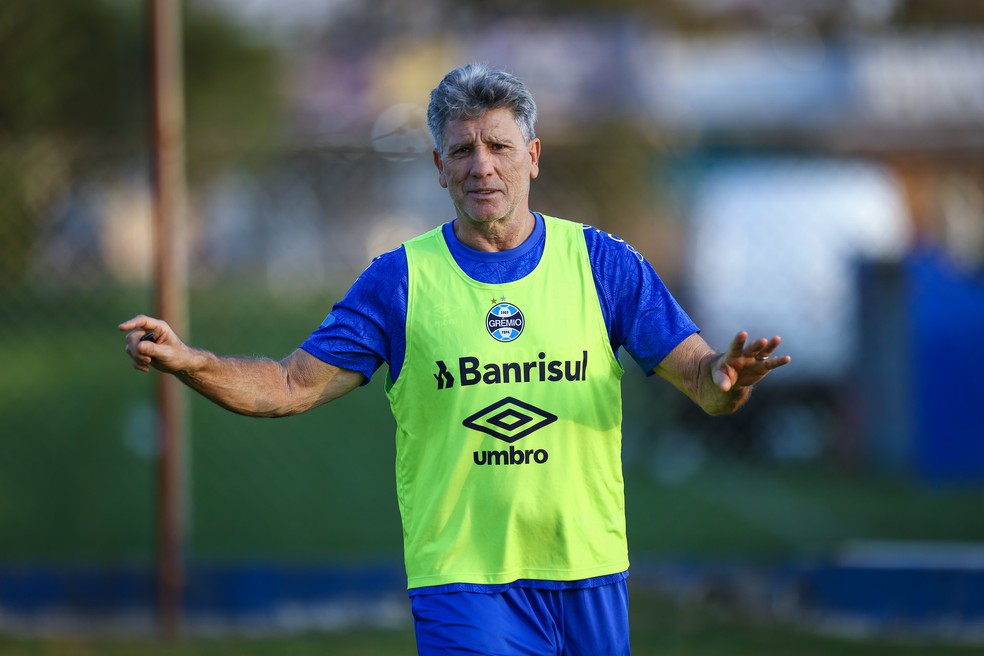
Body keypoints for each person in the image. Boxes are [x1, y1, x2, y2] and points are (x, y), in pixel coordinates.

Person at [121, 63, 790, 655]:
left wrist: (729, 382)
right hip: (463, 581)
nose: (482, 166)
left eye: (498, 146)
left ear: (532, 156)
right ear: (439, 166)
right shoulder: (400, 281)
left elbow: (704, 380)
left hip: (588, 571)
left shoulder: (603, 264)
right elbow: (290, 384)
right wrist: (193, 361)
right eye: (462, 150)